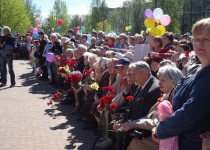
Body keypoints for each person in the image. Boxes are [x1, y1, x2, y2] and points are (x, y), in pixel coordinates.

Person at [152, 18, 210, 150]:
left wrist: (160, 129)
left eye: (206, 39)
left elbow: (190, 113)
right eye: (196, 39)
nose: (199, 43)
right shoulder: (195, 68)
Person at [126, 64, 183, 150]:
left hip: (165, 138)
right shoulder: (165, 95)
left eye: (163, 80)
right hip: (156, 132)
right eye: (159, 80)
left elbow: (159, 121)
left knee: (135, 143)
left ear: (174, 82)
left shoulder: (174, 99)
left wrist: (135, 123)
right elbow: (150, 115)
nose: (159, 83)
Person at [113, 61, 161, 150]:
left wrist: (127, 123)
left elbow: (146, 113)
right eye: (131, 74)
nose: (132, 77)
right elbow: (132, 107)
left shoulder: (155, 88)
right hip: (133, 121)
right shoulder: (141, 84)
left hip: (143, 127)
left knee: (122, 132)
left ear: (145, 73)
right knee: (115, 125)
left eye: (134, 74)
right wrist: (122, 119)